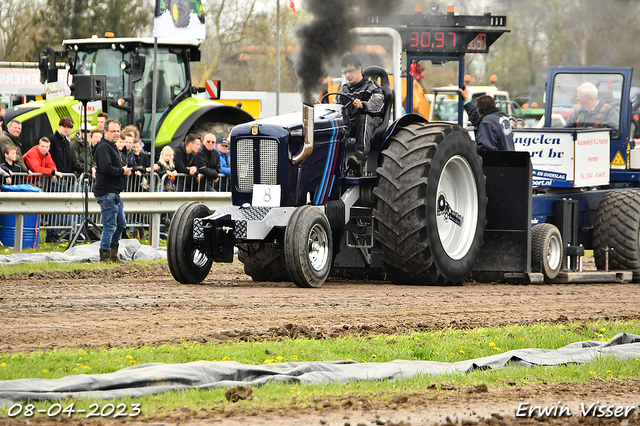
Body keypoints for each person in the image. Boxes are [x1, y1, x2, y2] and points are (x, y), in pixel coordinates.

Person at [334, 53, 385, 176]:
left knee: (364, 117)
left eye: (350, 71)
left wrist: (363, 105)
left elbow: (377, 105)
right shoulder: (343, 90)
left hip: (371, 124)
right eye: (345, 72)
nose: (348, 75)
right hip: (350, 125)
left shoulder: (372, 87)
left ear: (359, 69)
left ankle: (359, 159)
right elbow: (336, 107)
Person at [93, 119, 132, 262]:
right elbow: (106, 167)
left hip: (114, 193)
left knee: (121, 224)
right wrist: (122, 171)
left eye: (118, 131)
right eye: (113, 131)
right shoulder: (103, 147)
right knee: (110, 225)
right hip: (106, 192)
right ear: (105, 132)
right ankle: (105, 256)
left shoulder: (113, 146)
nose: (116, 134)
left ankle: (113, 254)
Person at [459, 87, 515, 151]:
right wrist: (467, 99)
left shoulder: (486, 123)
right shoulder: (502, 118)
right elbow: (476, 118)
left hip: (497, 160)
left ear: (479, 113)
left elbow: (486, 149)